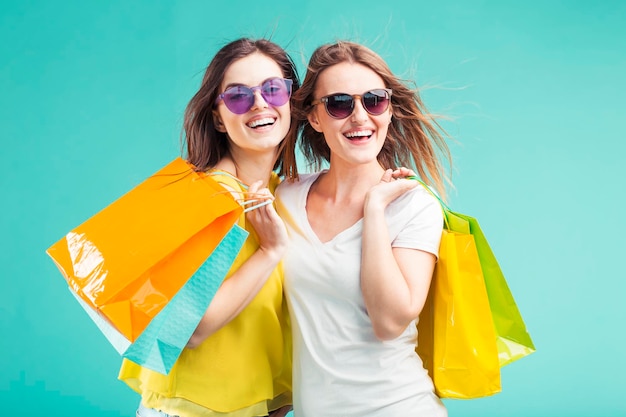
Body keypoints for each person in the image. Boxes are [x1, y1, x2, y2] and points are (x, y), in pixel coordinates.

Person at [118, 38, 300, 417]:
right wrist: (269, 251)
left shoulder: (284, 196)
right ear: (218, 117)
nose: (260, 104)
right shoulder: (203, 198)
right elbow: (191, 328)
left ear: (291, 101)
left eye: (272, 89)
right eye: (237, 96)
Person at [276, 40, 451, 416]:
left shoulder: (414, 206)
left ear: (388, 111)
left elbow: (389, 321)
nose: (359, 116)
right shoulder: (286, 197)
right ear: (315, 118)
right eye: (340, 103)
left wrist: (374, 210)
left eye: (374, 100)